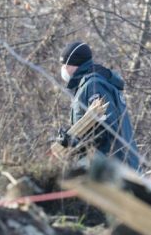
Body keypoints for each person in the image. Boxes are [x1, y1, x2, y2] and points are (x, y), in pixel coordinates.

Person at [57, 40, 140, 170]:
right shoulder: (86, 85)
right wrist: (71, 135)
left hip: (114, 169)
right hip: (103, 168)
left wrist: (75, 143)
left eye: (64, 64)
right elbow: (91, 124)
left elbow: (108, 129)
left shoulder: (94, 86)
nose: (62, 69)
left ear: (75, 64)